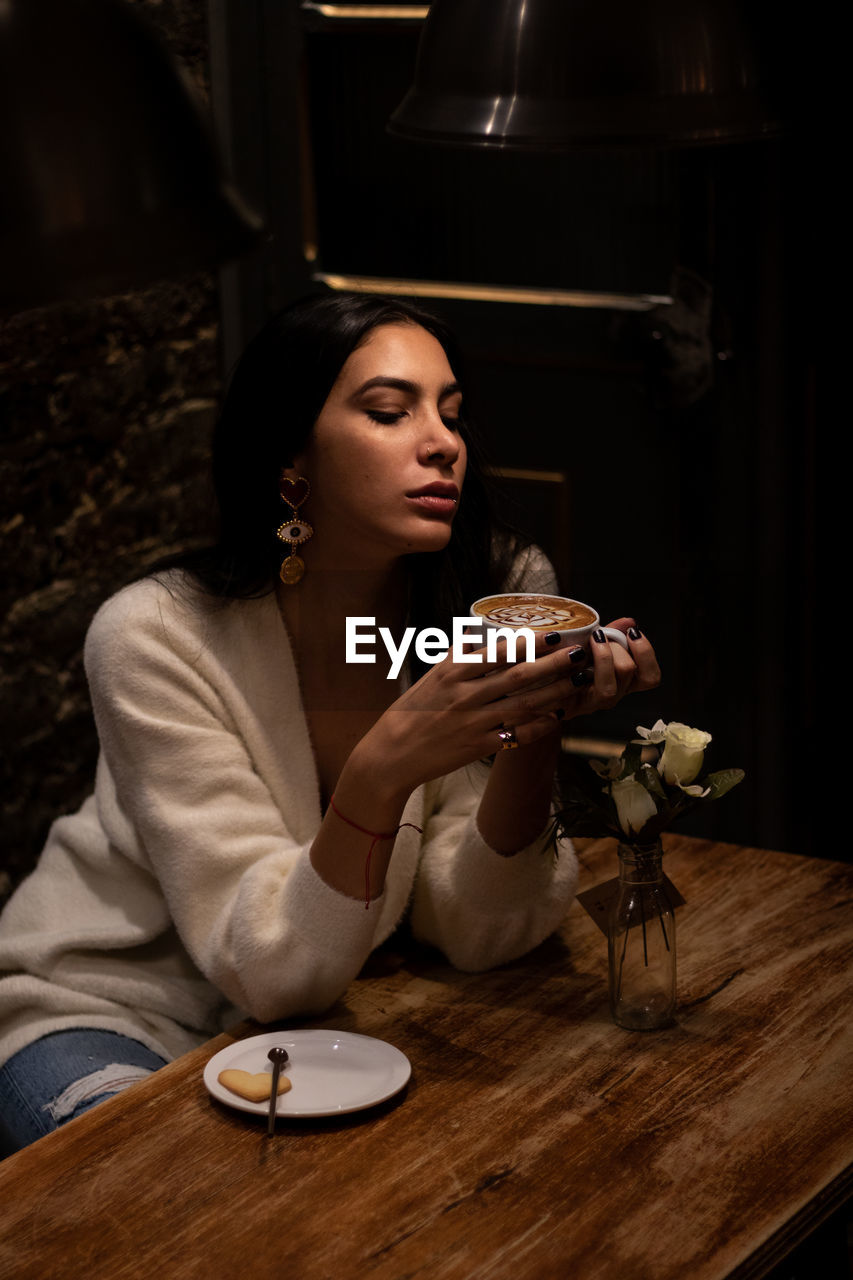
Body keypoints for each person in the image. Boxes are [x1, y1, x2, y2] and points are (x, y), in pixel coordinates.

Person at [0, 292, 660, 1152]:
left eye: (451, 414)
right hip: (119, 1007)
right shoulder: (155, 635)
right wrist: (385, 768)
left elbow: (478, 930)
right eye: (390, 411)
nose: (442, 441)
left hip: (334, 1009)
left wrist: (533, 728)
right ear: (290, 456)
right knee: (167, 1201)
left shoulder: (488, 595)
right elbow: (270, 969)